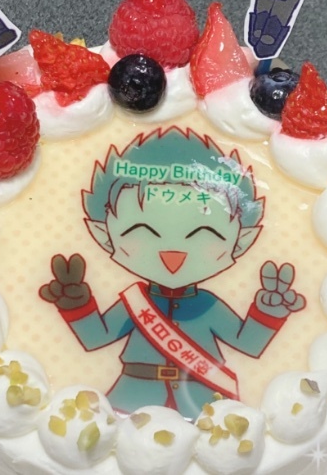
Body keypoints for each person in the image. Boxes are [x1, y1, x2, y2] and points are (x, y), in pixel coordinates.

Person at [40, 128, 305, 418]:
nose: (172, 253)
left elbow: (249, 344)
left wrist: (269, 310)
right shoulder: (134, 302)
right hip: (131, 395)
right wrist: (76, 302)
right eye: (141, 230)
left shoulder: (208, 305)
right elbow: (95, 338)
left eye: (204, 233)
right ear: (104, 234)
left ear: (241, 240)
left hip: (204, 396)